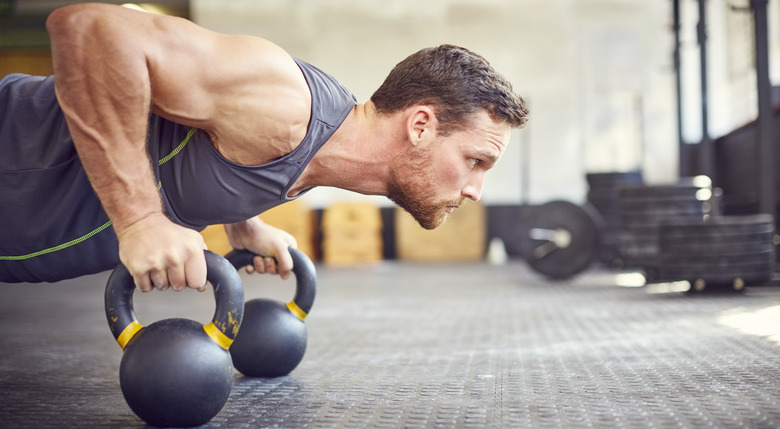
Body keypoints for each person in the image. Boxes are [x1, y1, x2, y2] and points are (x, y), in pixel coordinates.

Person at [0, 3, 528, 291]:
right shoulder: (284, 104)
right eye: (475, 161)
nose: (477, 190)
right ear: (420, 126)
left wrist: (242, 220)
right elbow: (87, 28)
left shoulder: (319, 153)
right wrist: (140, 219)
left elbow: (208, 149)